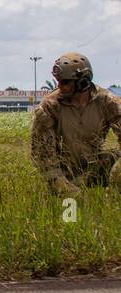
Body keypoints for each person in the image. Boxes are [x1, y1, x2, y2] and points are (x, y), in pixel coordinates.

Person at [30, 53, 121, 196]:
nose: (59, 86)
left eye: (65, 82)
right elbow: (43, 156)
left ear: (82, 83)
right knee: (73, 206)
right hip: (65, 173)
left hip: (95, 166)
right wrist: (64, 186)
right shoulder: (49, 107)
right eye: (58, 81)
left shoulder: (106, 102)